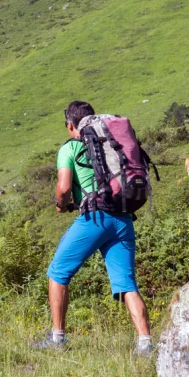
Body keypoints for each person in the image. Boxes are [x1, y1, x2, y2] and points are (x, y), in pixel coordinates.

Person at [33, 100, 154, 355]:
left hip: (95, 218)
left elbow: (64, 188)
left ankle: (57, 338)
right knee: (127, 284)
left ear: (70, 124)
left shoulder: (70, 148)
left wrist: (59, 204)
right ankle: (145, 343)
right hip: (123, 218)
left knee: (58, 272)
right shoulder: (109, 143)